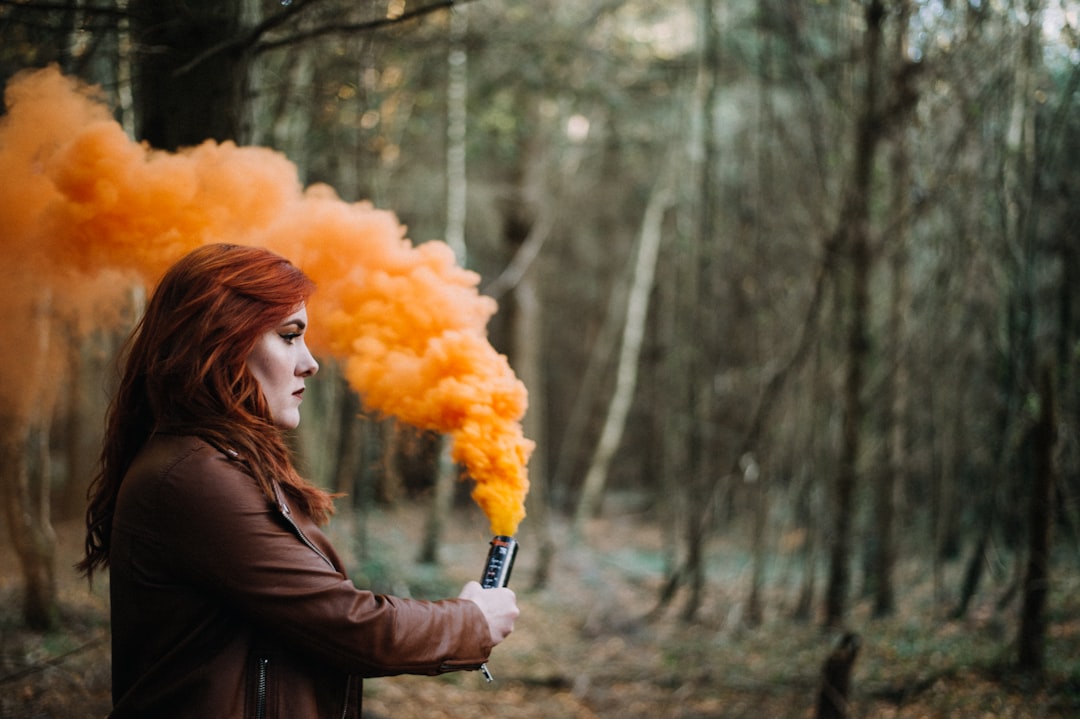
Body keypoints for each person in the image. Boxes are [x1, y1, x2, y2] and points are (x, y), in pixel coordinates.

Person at [77, 243, 518, 718]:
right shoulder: (193, 477)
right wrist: (471, 622)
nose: (310, 362)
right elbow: (348, 625)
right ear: (220, 343)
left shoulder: (212, 464)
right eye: (289, 336)